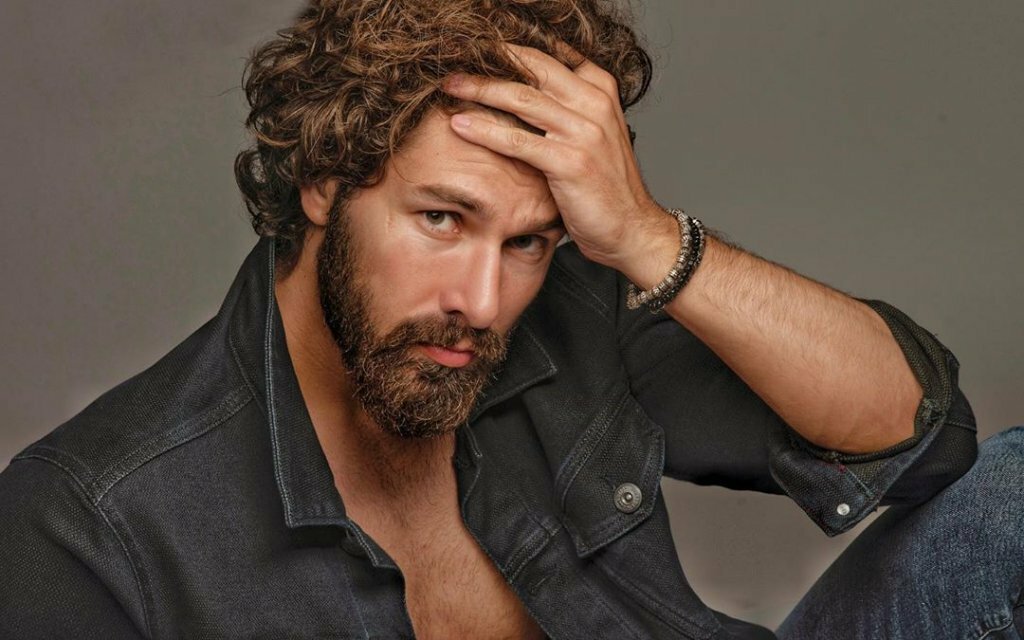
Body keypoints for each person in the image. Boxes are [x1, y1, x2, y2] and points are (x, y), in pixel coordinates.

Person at [0, 1, 1020, 638]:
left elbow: (920, 440)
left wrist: (646, 239)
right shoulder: (89, 524)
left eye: (528, 241)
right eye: (442, 219)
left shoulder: (570, 317)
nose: (481, 305)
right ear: (322, 180)